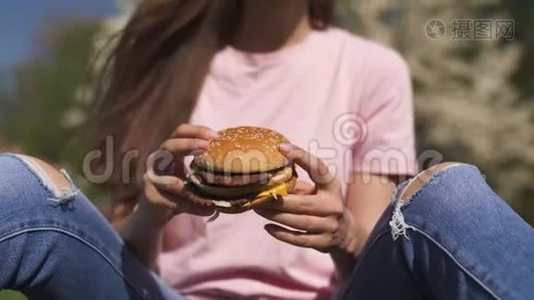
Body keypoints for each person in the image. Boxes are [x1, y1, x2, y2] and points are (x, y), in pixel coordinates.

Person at [0, 1, 533, 299]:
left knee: (449, 191)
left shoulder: (373, 69)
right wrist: (150, 214)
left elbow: (378, 248)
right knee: (21, 186)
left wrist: (343, 231)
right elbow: (119, 256)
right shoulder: (165, 60)